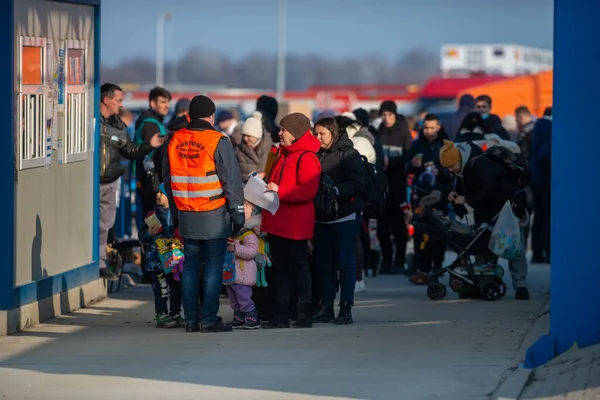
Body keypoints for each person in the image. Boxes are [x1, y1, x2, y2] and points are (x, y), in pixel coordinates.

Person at [164, 95, 245, 333]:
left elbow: (168, 180)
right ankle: (208, 319)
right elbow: (231, 182)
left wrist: (175, 213)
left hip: (186, 213)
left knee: (189, 265)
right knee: (212, 266)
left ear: (190, 115)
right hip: (213, 213)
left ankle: (191, 319)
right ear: (211, 116)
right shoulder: (218, 140)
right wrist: (238, 215)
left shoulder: (175, 140)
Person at [439, 140, 530, 300]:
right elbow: (466, 187)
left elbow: (490, 190)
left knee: (514, 245)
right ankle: (486, 281)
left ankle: (521, 286)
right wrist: (454, 193)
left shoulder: (480, 164)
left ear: (459, 158)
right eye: (447, 167)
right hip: (488, 210)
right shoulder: (464, 167)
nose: (450, 170)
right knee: (484, 245)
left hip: (506, 207)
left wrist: (466, 199)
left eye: (451, 166)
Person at [99, 83, 165, 280]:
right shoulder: (90, 121)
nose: (121, 104)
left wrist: (148, 146)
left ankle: (100, 262)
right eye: (118, 100)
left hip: (110, 181)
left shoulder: (118, 125)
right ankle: (92, 260)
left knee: (105, 224)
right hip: (90, 182)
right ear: (106, 99)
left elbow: (128, 150)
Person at [260, 112, 321, 329]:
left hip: (294, 224)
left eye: (284, 129)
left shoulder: (307, 157)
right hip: (278, 221)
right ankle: (281, 314)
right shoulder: (282, 154)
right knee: (280, 269)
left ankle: (303, 313)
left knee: (298, 267)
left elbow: (308, 190)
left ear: (294, 133)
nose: (280, 133)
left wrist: (280, 190)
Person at [312, 117, 365, 324]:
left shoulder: (348, 154)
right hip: (322, 218)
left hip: (344, 217)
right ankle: (326, 306)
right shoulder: (316, 154)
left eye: (321, 134)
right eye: (315, 134)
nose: (318, 138)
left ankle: (346, 307)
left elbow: (357, 183)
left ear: (333, 133)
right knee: (323, 264)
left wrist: (335, 190)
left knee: (344, 262)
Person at [137, 184, 183, 328]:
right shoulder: (152, 215)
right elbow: (141, 235)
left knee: (176, 288)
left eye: (161, 193)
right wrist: (149, 233)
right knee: (161, 288)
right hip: (158, 260)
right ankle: (161, 314)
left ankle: (175, 313)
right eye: (157, 192)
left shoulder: (178, 214)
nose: (158, 195)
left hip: (174, 259)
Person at [377, 100, 412, 274]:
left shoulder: (404, 133)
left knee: (399, 227)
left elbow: (409, 157)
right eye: (383, 115)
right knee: (382, 228)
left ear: (395, 115)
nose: (387, 118)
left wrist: (391, 162)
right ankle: (386, 260)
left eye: (390, 115)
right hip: (382, 186)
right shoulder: (378, 132)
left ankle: (399, 260)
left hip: (398, 185)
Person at [134, 86, 172, 215]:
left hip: (149, 178)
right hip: (152, 180)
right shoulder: (151, 124)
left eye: (167, 102)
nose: (166, 106)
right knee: (154, 217)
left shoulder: (154, 122)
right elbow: (153, 154)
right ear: (152, 103)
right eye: (162, 102)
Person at [225, 200, 262, 330]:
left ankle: (251, 316)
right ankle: (238, 316)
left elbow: (252, 252)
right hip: (231, 273)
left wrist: (235, 248)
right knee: (234, 299)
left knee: (244, 297)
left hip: (243, 273)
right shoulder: (232, 234)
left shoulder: (248, 234)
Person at [529, 108, 552, 264]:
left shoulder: (538, 127)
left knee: (538, 217)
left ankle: (537, 253)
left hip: (535, 178)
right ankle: (548, 252)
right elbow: (546, 155)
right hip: (546, 178)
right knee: (548, 217)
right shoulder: (550, 129)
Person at [234, 116, 273, 182]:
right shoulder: (238, 150)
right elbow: (234, 173)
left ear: (257, 136)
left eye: (249, 136)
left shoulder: (271, 148)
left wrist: (265, 175)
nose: (245, 138)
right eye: (244, 135)